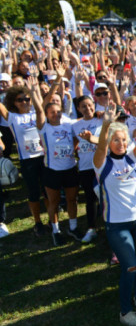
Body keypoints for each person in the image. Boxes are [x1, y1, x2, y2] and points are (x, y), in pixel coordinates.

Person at [94, 102, 136, 326]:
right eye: (116, 140)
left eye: (123, 139)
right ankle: (125, 311)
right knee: (129, 264)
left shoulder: (132, 157)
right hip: (116, 224)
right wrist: (106, 125)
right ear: (109, 142)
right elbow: (100, 147)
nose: (121, 144)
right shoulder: (102, 163)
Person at [0, 80, 48, 236]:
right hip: (27, 160)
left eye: (27, 99)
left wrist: (35, 91)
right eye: (20, 100)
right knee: (33, 192)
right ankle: (38, 222)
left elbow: (45, 102)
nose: (25, 102)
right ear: (14, 102)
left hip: (43, 157)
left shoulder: (37, 112)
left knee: (48, 191)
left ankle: (53, 221)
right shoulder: (12, 117)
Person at [35, 84, 81, 246]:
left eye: (58, 111)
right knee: (53, 202)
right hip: (52, 171)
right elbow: (40, 109)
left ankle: (73, 228)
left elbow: (79, 131)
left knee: (72, 199)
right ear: (47, 114)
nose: (56, 114)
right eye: (52, 112)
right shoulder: (44, 127)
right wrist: (54, 84)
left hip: (70, 168)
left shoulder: (68, 123)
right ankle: (56, 230)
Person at [72, 95, 102, 243]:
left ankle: (109, 224)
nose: (88, 108)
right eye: (83, 106)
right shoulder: (76, 125)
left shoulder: (101, 120)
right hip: (85, 166)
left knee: (105, 197)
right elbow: (73, 141)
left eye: (90, 105)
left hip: (102, 165)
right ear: (78, 109)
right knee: (90, 198)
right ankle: (92, 229)